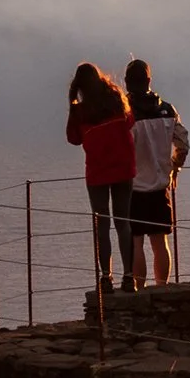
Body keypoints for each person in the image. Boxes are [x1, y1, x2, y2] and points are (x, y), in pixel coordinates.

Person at [64, 63, 134, 292]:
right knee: (123, 223)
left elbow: (73, 139)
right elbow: (130, 122)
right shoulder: (116, 99)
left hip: (97, 173)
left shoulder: (80, 111)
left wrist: (72, 105)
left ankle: (106, 278)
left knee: (102, 225)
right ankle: (129, 277)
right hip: (123, 169)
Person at [122, 60, 187, 291]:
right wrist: (175, 167)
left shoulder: (126, 114)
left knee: (136, 241)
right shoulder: (168, 111)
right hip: (161, 186)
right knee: (160, 242)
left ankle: (139, 289)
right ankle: (162, 288)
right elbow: (183, 144)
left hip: (134, 186)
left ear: (127, 82)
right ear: (149, 81)